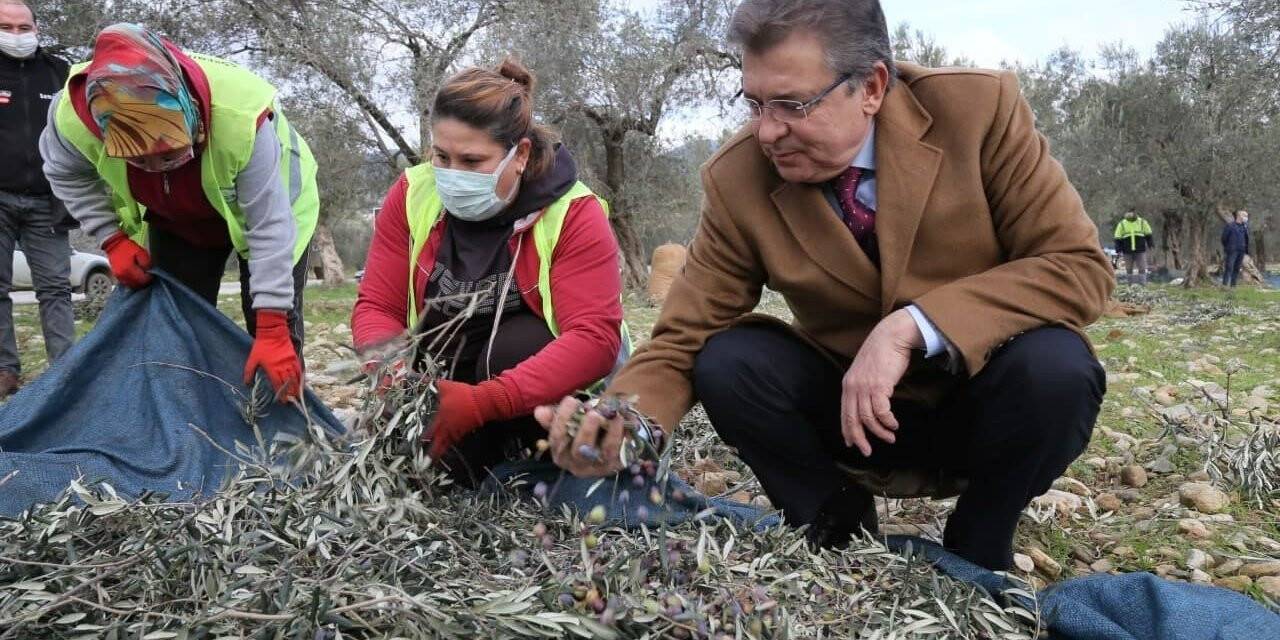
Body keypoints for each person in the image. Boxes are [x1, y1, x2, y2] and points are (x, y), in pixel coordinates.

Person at [536, 0, 1113, 572]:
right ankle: (837, 530)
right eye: (756, 102)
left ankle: (980, 540)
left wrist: (911, 328)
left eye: (793, 104)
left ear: (871, 87)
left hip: (985, 405)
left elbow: (1077, 266)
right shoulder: (738, 177)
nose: (767, 130)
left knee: (1056, 368)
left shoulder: (978, 110)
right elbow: (686, 332)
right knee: (728, 360)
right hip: (850, 420)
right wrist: (625, 422)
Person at [352, 58, 625, 484]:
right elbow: (376, 304)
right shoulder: (412, 193)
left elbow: (594, 338)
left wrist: (486, 402)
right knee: (435, 476)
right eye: (441, 155)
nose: (451, 174)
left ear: (520, 156)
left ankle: (526, 445)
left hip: (538, 383)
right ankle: (479, 447)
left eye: (472, 160)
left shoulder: (574, 212)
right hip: (449, 373)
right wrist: (393, 373)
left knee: (512, 348)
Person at [41, 24, 320, 403]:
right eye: (140, 161)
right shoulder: (73, 120)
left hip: (274, 210)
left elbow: (269, 225)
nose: (159, 168)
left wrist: (272, 326)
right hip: (175, 220)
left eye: (171, 154)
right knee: (175, 326)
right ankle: (186, 429)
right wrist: (112, 238)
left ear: (193, 119)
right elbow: (63, 174)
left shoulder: (240, 117)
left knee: (274, 338)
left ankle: (283, 434)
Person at [0, 0, 75, 398]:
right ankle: (5, 373)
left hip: (49, 198)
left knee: (56, 288)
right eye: (6, 27)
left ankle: (65, 373)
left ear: (36, 28)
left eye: (22, 26)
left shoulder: (58, 71)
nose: (16, 34)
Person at [1113, 209, 1154, 285]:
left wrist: (1150, 244)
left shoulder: (1142, 222)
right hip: (1127, 250)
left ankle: (1143, 284)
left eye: (1131, 213)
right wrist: (1118, 249)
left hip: (1140, 250)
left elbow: (1148, 234)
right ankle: (1130, 284)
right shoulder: (1122, 224)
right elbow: (1117, 237)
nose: (1130, 214)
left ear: (1135, 213)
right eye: (1128, 213)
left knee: (1142, 268)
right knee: (1129, 269)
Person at [1221, 209, 1250, 287]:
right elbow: (1224, 238)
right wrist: (1228, 247)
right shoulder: (1230, 226)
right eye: (1245, 216)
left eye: (1246, 216)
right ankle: (1224, 285)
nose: (1246, 217)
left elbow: (1246, 238)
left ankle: (1233, 286)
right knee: (1229, 267)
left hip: (1241, 250)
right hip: (1232, 251)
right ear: (1239, 216)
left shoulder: (1245, 227)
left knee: (1237, 269)